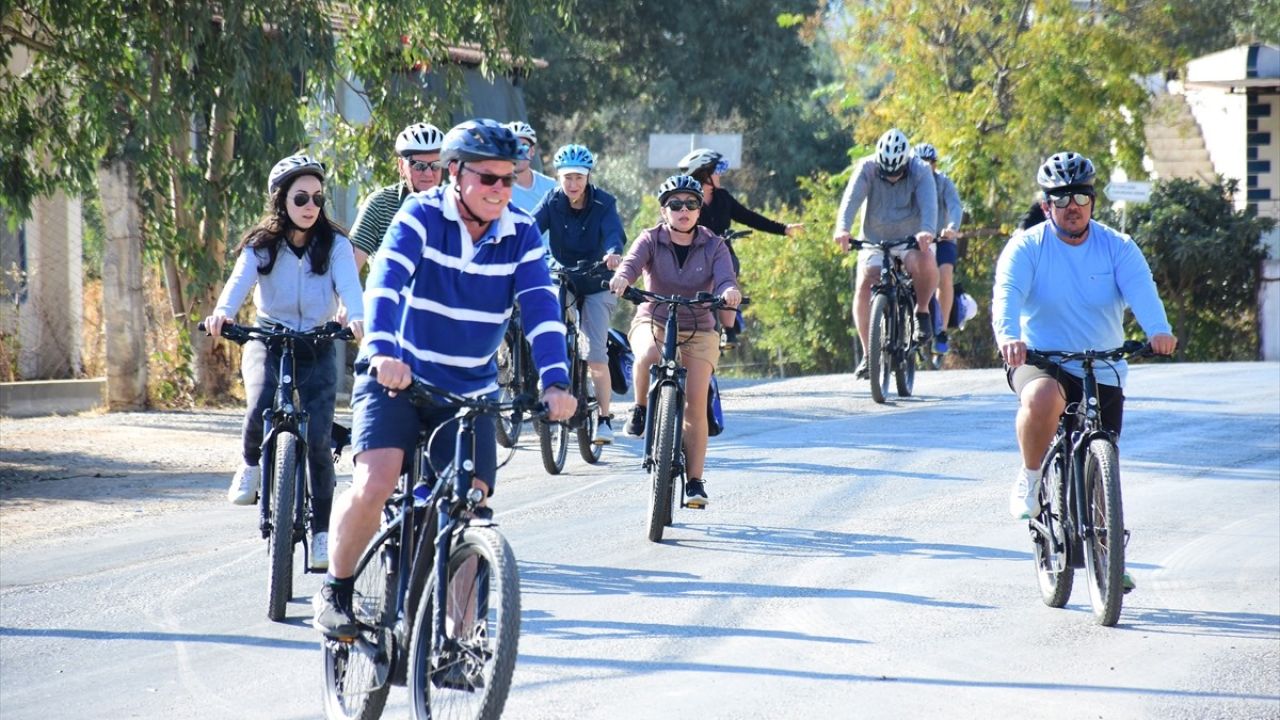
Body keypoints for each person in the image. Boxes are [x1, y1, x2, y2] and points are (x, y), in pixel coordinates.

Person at [311, 119, 576, 637]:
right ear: (456, 173)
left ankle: (461, 640)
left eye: (508, 178)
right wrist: (382, 350)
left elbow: (542, 310)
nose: (501, 190)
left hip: (470, 392)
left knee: (471, 506)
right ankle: (336, 591)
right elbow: (385, 283)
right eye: (488, 179)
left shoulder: (521, 232)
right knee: (376, 480)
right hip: (399, 379)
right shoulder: (419, 216)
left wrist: (556, 383)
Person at [992, 151, 1177, 588]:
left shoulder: (1118, 246)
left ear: (1093, 201)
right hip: (1041, 361)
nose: (1071, 205)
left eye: (1080, 196)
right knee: (1043, 398)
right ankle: (1032, 477)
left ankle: (1108, 557)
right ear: (1046, 205)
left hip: (1104, 365)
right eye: (1060, 198)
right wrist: (1008, 337)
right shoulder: (1027, 247)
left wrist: (1159, 330)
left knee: (1102, 459)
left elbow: (1143, 294)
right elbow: (1008, 295)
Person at [203, 153, 365, 571]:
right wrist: (222, 314)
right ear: (280, 201)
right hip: (268, 337)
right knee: (258, 402)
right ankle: (252, 464)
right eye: (300, 198)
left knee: (318, 439)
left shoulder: (336, 245)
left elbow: (350, 289)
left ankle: (323, 534)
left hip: (317, 341)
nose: (311, 205)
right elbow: (238, 283)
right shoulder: (262, 245)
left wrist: (356, 316)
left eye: (317, 197)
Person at [608, 175, 741, 508]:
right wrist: (623, 278)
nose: (684, 210)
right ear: (664, 209)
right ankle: (640, 409)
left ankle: (695, 482)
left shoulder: (715, 245)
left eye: (692, 204)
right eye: (676, 204)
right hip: (653, 319)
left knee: (695, 402)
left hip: (699, 326)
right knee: (649, 355)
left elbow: (726, 278)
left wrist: (728, 292)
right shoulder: (650, 239)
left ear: (699, 210)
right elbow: (631, 264)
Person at [532, 143, 626, 443]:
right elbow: (532, 227)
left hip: (598, 280)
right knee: (551, 330)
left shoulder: (604, 203)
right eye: (567, 178)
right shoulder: (552, 200)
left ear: (588, 178)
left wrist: (614, 253)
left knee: (594, 352)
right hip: (564, 278)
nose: (573, 184)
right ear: (559, 177)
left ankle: (605, 418)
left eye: (578, 178)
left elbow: (614, 233)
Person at [833, 128, 938, 378]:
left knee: (925, 261)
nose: (891, 177)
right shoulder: (866, 168)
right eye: (886, 173)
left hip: (910, 238)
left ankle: (921, 309)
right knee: (864, 284)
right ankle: (870, 356)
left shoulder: (921, 170)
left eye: (897, 173)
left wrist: (927, 231)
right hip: (874, 238)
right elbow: (850, 200)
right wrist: (843, 229)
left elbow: (929, 205)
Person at [678, 148, 802, 348]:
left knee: (726, 279)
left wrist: (785, 229)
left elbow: (749, 217)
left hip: (722, 255)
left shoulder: (723, 197)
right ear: (703, 173)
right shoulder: (685, 201)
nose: (721, 174)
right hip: (694, 258)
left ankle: (729, 330)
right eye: (717, 169)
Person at [349, 122, 445, 270]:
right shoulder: (380, 205)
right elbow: (349, 270)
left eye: (436, 165)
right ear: (401, 166)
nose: (428, 173)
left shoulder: (454, 208)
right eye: (419, 165)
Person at [913, 142, 963, 354]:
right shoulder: (909, 183)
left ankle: (941, 330)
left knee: (945, 276)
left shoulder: (943, 182)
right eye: (921, 163)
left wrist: (952, 228)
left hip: (942, 238)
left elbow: (954, 206)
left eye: (930, 163)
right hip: (917, 239)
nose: (927, 167)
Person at [506, 120, 558, 213]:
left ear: (532, 151)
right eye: (513, 147)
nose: (519, 153)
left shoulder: (551, 187)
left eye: (524, 147)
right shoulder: (498, 189)